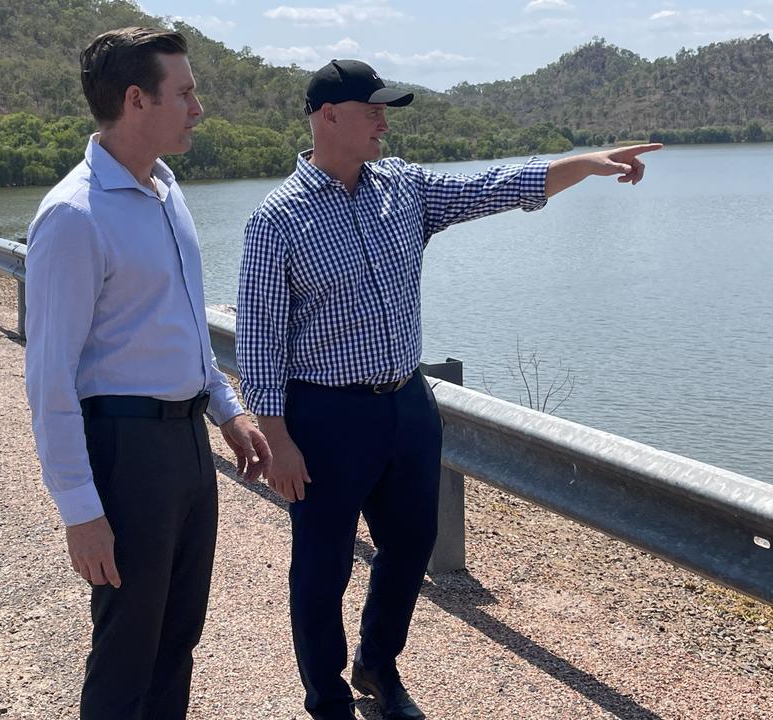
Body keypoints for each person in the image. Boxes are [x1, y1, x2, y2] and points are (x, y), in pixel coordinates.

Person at [236, 58, 661, 720]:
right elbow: (261, 340)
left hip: (407, 404)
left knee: (409, 547)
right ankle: (326, 701)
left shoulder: (403, 190)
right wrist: (278, 437)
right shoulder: (277, 220)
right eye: (371, 110)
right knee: (322, 570)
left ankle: (377, 665)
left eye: (385, 110)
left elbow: (494, 185)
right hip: (323, 416)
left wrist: (583, 162)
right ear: (328, 117)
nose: (384, 122)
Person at [24, 26, 270, 720]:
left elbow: (184, 324)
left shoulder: (166, 187)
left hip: (187, 446)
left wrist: (227, 407)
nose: (198, 107)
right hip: (127, 452)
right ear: (137, 99)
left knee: (176, 643)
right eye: (185, 93)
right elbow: (48, 379)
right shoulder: (73, 216)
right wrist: (81, 511)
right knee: (127, 649)